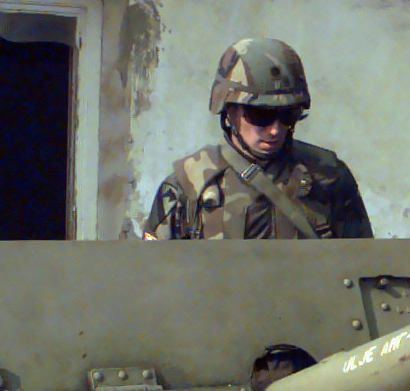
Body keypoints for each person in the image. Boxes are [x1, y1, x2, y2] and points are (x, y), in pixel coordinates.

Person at [146, 38, 371, 240]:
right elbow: (153, 275)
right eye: (261, 115)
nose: (275, 130)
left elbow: (363, 264)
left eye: (287, 115)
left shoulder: (328, 176)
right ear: (229, 111)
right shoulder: (189, 184)